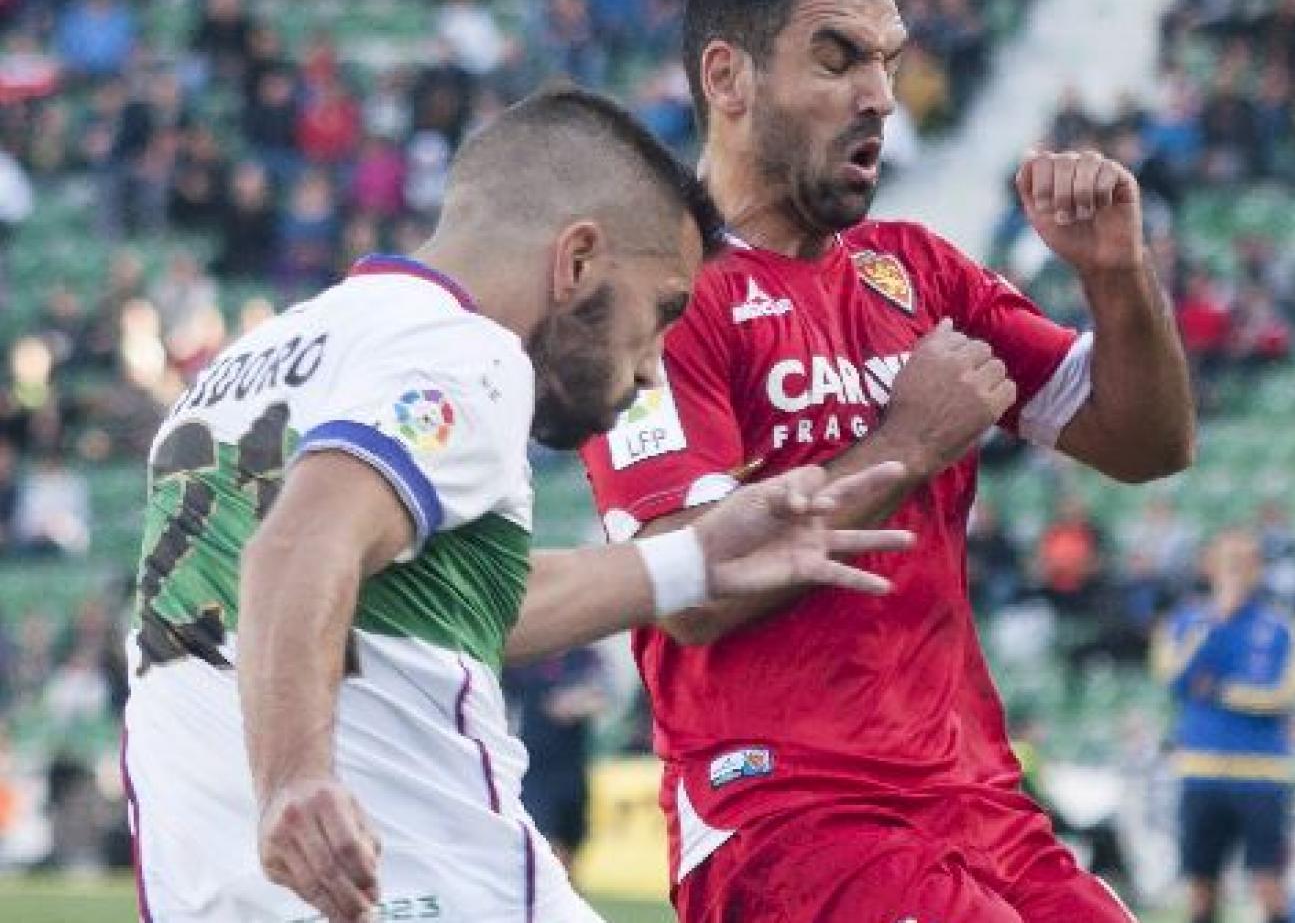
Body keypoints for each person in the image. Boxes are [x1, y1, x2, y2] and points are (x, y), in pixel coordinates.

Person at [121, 87, 917, 923]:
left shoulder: (250, 364)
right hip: (415, 882)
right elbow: (294, 549)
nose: (652, 368)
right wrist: (294, 778)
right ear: (576, 260)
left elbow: (423, 604)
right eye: (660, 312)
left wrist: (695, 557)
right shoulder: (468, 355)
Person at [581, 0, 1194, 923]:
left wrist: (1117, 277)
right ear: (727, 79)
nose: (878, 94)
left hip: (976, 799)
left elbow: (1146, 442)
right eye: (837, 58)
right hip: (786, 813)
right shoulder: (662, 288)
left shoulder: (917, 269)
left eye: (888, 62)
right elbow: (678, 586)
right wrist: (906, 445)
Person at [1153, 530, 1295, 923]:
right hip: (1201, 772)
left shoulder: (1285, 626)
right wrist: (1214, 622)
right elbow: (1172, 678)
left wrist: (1221, 692)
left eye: (1245, 561)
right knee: (1202, 889)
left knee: (1269, 884)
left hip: (1262, 774)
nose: (1236, 569)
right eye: (1228, 560)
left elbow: (1283, 694)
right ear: (1209, 566)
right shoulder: (1185, 621)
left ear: (1259, 569)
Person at [502, 646, 610, 869]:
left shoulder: (585, 656)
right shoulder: (525, 655)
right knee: (547, 846)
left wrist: (576, 704)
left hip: (573, 768)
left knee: (570, 847)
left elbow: (603, 696)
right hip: (533, 769)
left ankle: (563, 897)